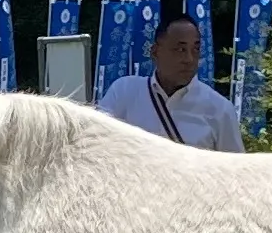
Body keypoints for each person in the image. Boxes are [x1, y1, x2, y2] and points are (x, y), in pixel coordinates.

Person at [96, 8, 245, 151]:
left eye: (196, 49)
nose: (189, 59)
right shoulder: (125, 92)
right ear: (155, 52)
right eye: (180, 50)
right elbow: (97, 143)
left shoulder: (219, 109)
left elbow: (235, 171)